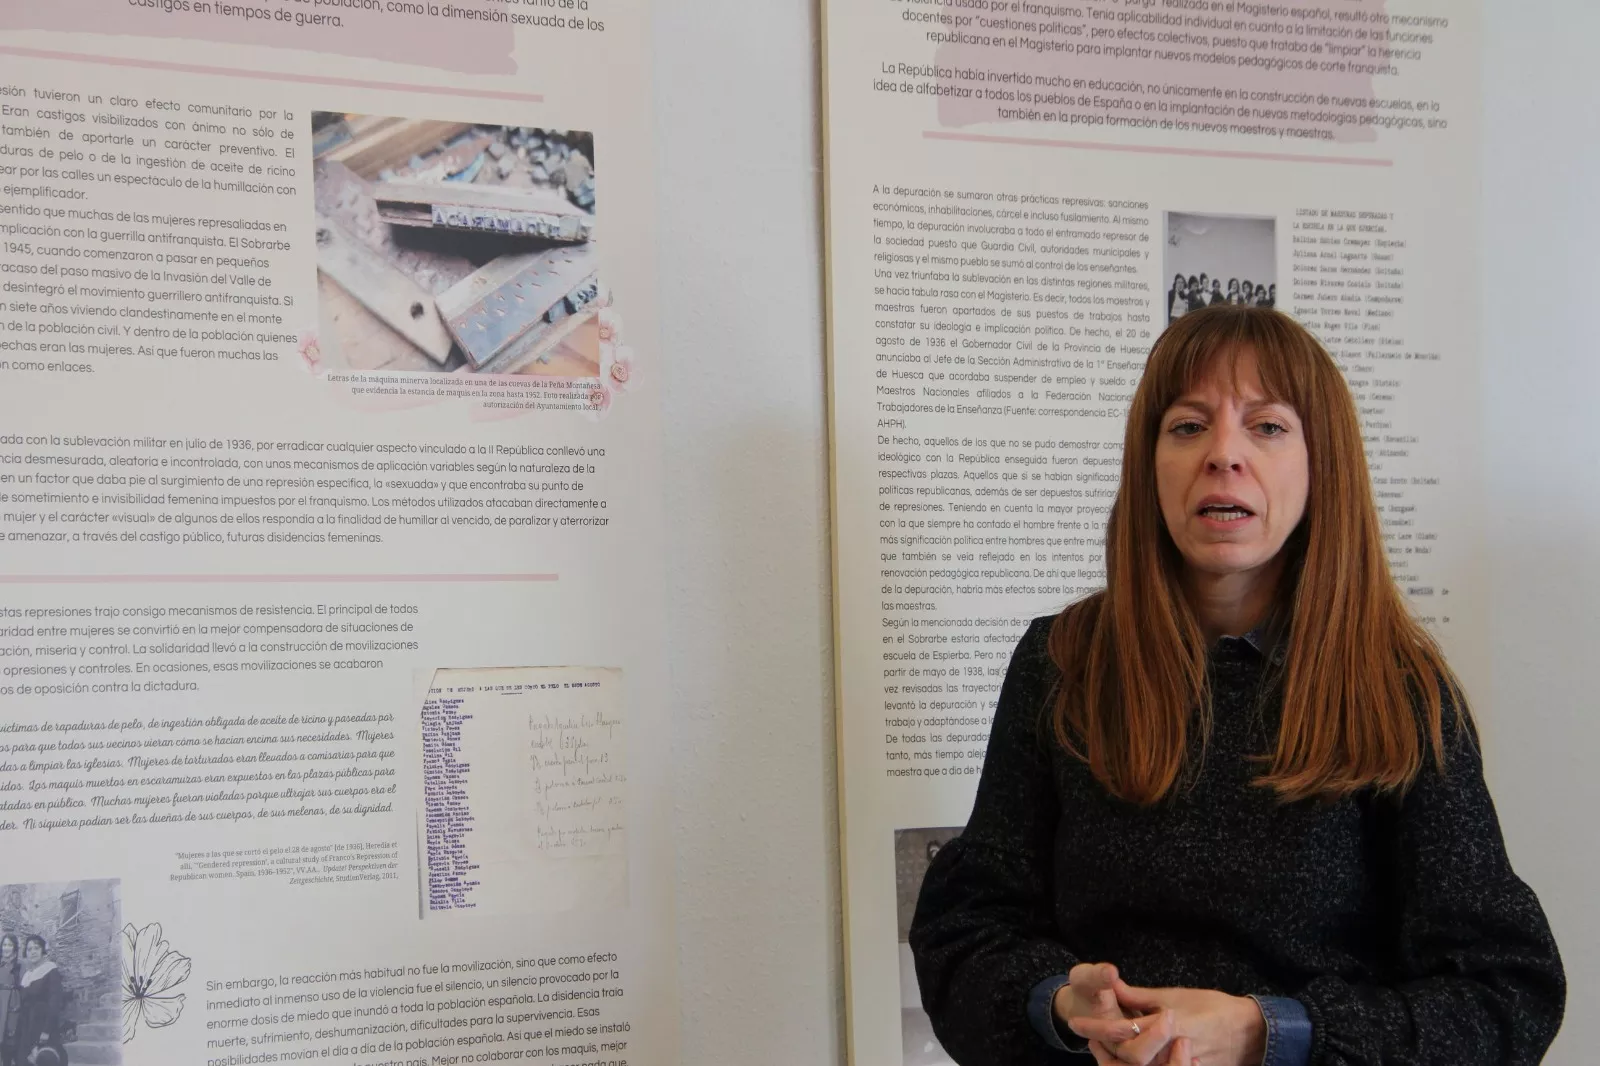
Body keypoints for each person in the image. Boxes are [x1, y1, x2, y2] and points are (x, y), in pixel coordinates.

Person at [909, 305, 1565, 1066]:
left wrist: (1267, 1032)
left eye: (1268, 427)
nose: (1224, 454)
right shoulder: (1063, 661)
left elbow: (1504, 995)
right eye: (1188, 427)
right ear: (1148, 462)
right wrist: (1059, 1003)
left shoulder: (1399, 689)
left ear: (1324, 463)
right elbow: (967, 932)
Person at [14, 937, 65, 1066]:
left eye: (36, 948)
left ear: (43, 950)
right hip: (26, 1028)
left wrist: (46, 1030)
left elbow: (55, 1003)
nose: (33, 952)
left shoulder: (50, 970)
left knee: (43, 1060)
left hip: (42, 1027)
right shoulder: (27, 975)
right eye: (29, 949)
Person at [0, 936, 18, 1066]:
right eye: (4, 945)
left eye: (10, 945)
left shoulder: (19, 965)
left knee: (9, 1041)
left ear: (14, 947)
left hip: (12, 1004)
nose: (6, 948)